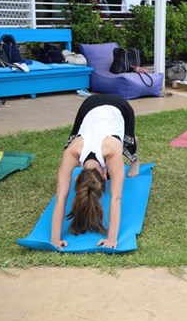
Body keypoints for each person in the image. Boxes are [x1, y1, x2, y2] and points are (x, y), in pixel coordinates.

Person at [50, 95, 141, 250]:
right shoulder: (73, 151)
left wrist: (112, 238)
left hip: (120, 106)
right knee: (75, 137)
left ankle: (135, 160)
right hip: (89, 106)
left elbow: (116, 198)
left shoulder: (112, 151)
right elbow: (60, 197)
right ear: (77, 176)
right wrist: (54, 239)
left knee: (128, 145)